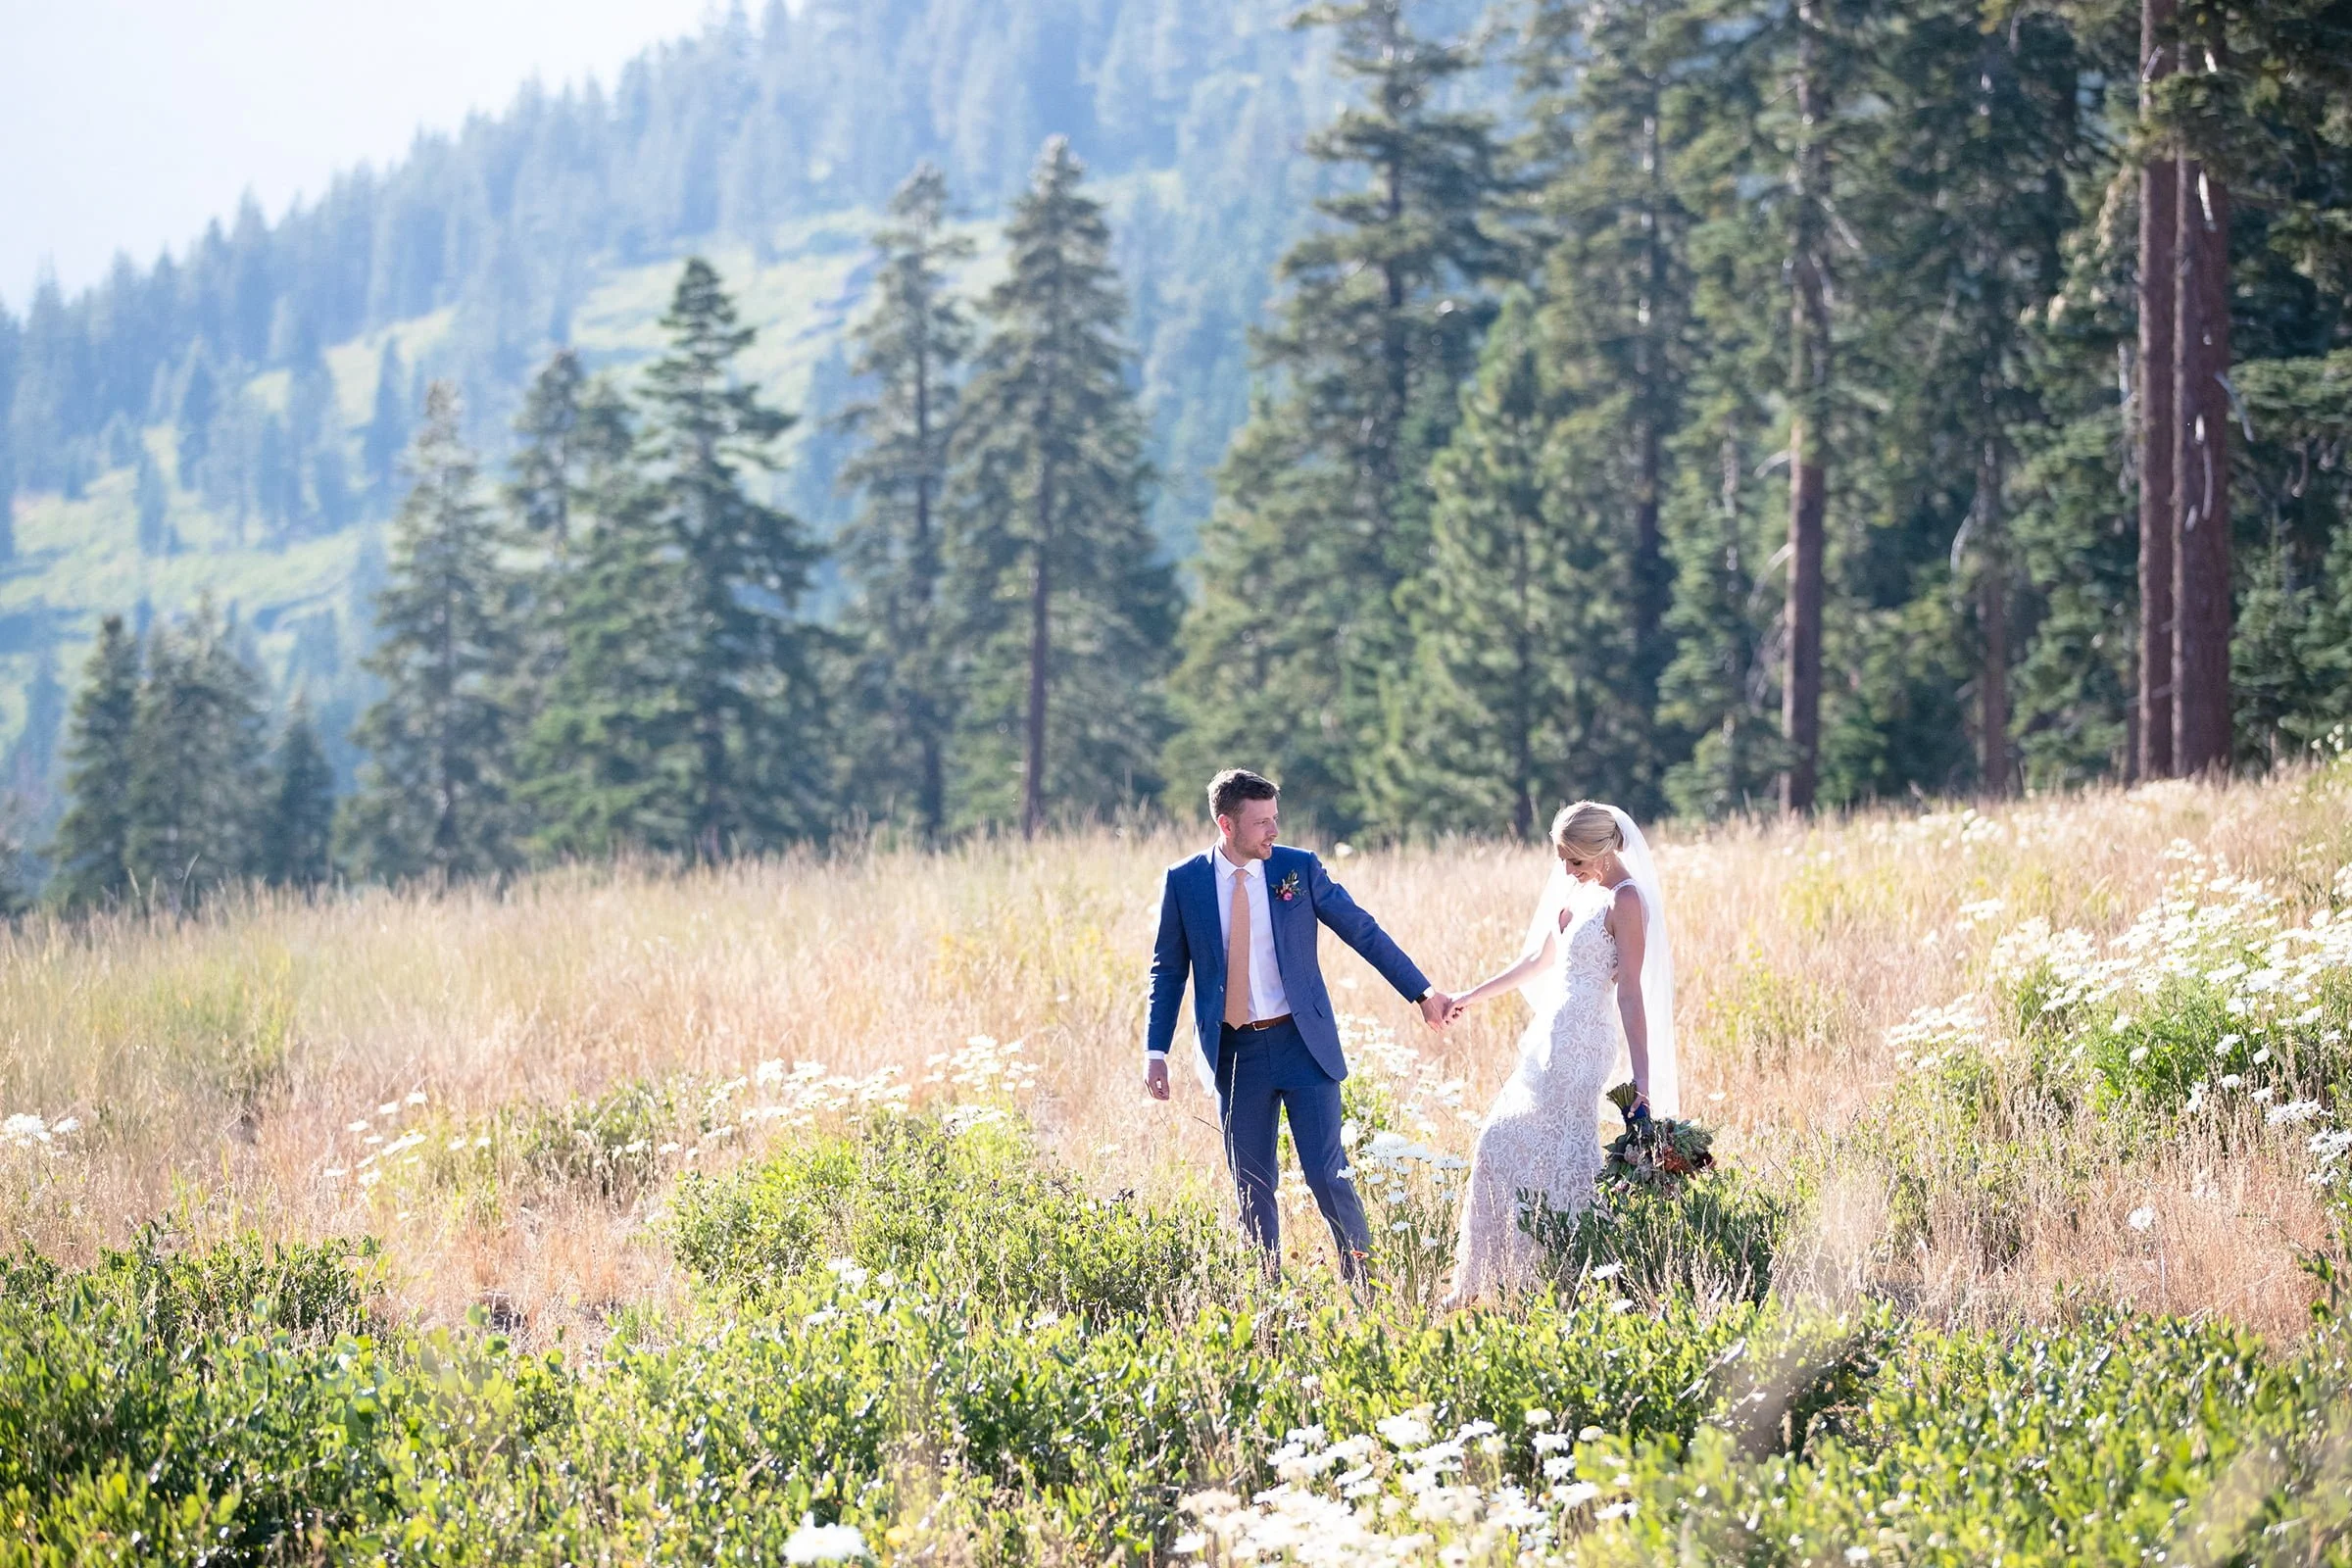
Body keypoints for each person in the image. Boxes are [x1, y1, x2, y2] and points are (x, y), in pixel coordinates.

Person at [1143, 768, 1454, 1279]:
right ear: (1226, 823)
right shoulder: (1184, 882)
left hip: (1303, 1045)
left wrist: (1421, 992)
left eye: (1275, 819)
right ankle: (1268, 1296)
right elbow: (1169, 969)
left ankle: (1365, 1286)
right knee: (1252, 1184)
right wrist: (1156, 1051)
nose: (1273, 831)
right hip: (1235, 1054)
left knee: (1329, 1174)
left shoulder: (1298, 868)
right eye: (1261, 822)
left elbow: (1362, 930)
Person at [1437, 800, 1679, 1304]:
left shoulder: (1626, 900)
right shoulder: (1578, 888)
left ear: (1604, 850)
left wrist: (1643, 1082)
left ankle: (1578, 1271)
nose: (1567, 870)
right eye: (1563, 859)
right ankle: (1492, 1277)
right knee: (1499, 1143)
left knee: (1564, 1153)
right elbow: (1536, 960)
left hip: (1586, 1039)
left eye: (1575, 860)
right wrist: (1469, 997)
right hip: (1549, 1033)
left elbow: (1631, 993)